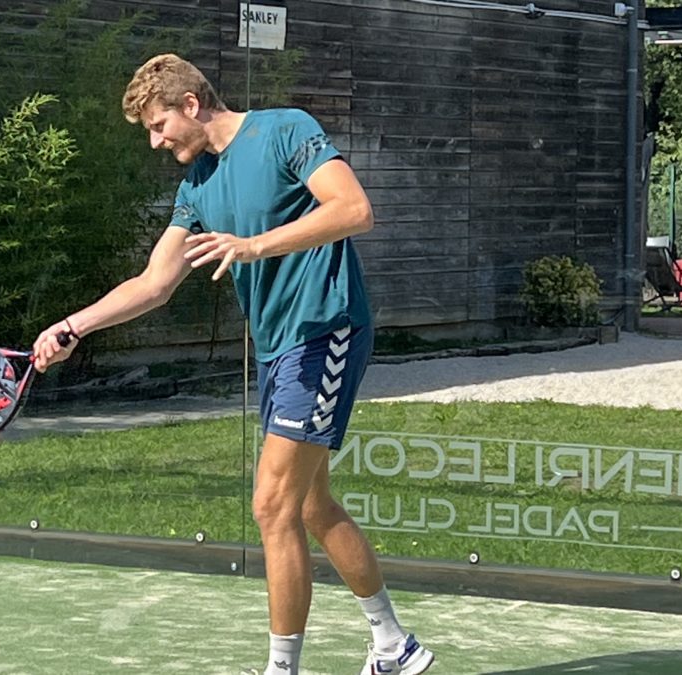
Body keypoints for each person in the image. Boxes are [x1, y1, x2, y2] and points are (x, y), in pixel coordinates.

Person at [31, 53, 434, 675]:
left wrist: (253, 246)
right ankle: (393, 645)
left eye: (159, 124)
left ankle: (282, 670)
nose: (156, 140)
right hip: (277, 348)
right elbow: (155, 282)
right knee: (306, 505)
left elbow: (354, 210)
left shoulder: (284, 130)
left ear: (191, 104)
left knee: (270, 505)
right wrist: (71, 326)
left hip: (325, 330)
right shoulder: (198, 186)